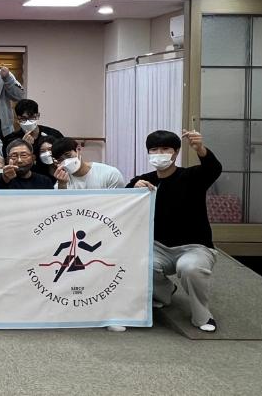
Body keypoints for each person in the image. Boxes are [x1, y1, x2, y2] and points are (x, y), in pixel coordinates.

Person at [128, 129, 222, 332]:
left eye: (165, 149)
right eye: (154, 149)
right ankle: (164, 292)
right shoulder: (145, 179)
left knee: (190, 268)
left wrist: (200, 149)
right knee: (140, 264)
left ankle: (203, 315)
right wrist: (134, 186)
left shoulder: (192, 176)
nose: (159, 153)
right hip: (158, 247)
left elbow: (213, 169)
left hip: (195, 247)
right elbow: (124, 198)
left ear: (176, 152)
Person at [51, 138, 125, 190]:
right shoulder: (62, 181)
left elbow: (117, 203)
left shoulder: (110, 174)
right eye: (61, 159)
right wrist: (62, 185)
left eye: (68, 155)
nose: (66, 161)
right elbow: (61, 205)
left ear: (78, 149)